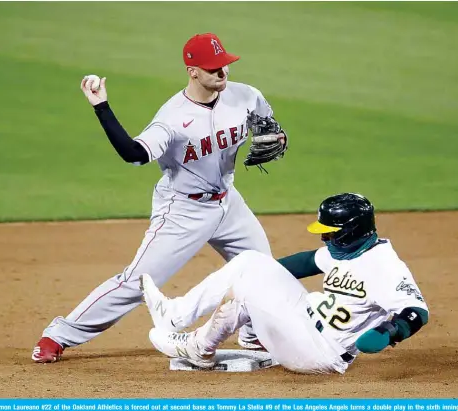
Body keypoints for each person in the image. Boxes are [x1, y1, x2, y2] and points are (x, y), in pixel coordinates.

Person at [32, 33, 287, 363]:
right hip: (183, 208)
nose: (222, 73)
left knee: (262, 271)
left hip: (229, 203)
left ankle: (253, 334)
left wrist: (276, 135)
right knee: (137, 282)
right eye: (213, 68)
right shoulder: (172, 117)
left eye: (224, 65)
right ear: (192, 71)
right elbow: (133, 154)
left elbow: (267, 125)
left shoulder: (246, 96)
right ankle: (58, 335)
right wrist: (101, 107)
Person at [139, 193, 429, 374]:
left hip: (318, 354)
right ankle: (193, 332)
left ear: (352, 231)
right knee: (250, 269)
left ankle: (187, 333)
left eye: (330, 233)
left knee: (249, 272)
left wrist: (391, 331)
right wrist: (263, 277)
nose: (324, 239)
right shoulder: (345, 251)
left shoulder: (385, 266)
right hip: (304, 328)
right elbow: (304, 262)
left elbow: (417, 311)